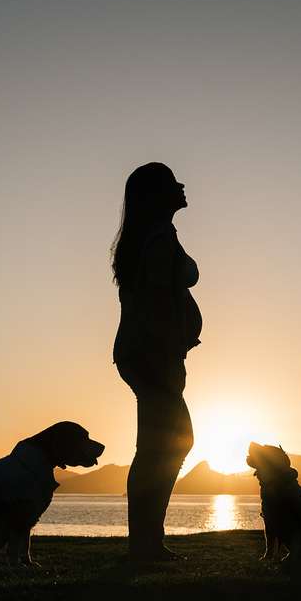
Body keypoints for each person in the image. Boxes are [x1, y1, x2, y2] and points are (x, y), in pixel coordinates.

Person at [111, 162, 202, 561]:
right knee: (154, 448)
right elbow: (162, 295)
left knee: (176, 440)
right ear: (157, 195)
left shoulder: (150, 236)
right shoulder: (159, 236)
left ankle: (149, 540)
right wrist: (174, 350)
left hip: (145, 351)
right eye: (172, 182)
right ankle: (143, 546)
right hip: (153, 352)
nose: (182, 185)